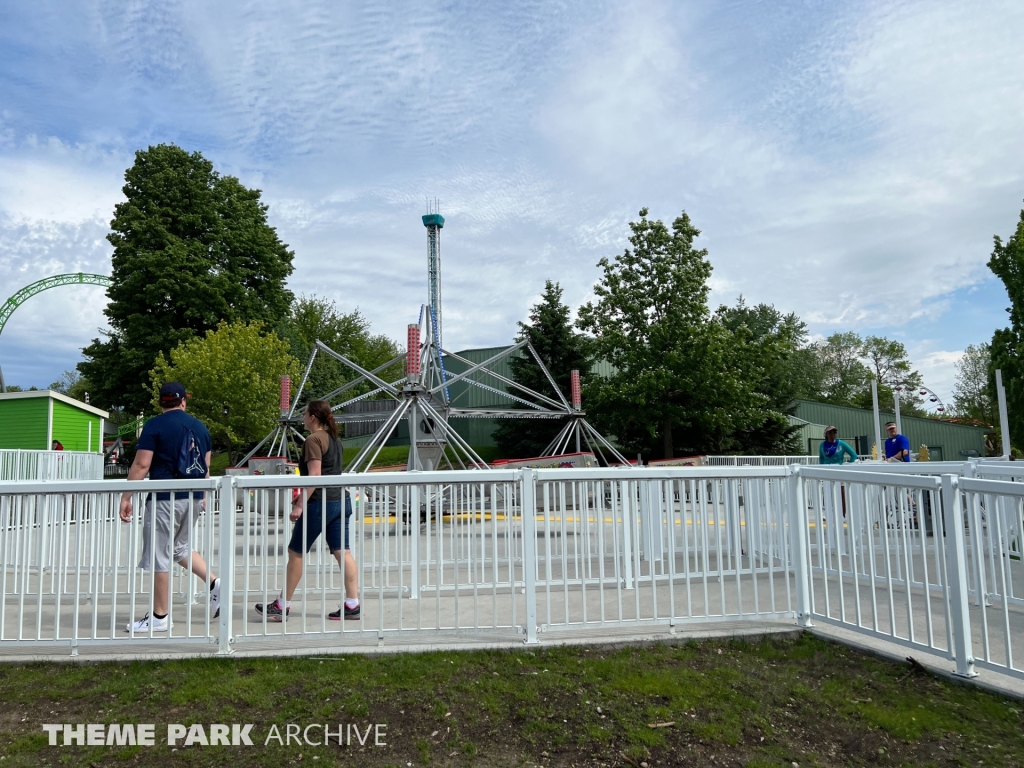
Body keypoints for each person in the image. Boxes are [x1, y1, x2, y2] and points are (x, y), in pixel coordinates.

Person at [119, 383, 220, 632]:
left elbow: (142, 465)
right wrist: (203, 496)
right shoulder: (200, 427)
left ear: (161, 402)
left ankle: (160, 617)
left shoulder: (155, 425)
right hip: (194, 497)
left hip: (165, 498)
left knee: (159, 555)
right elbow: (205, 469)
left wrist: (126, 496)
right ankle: (216, 582)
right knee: (179, 549)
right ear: (183, 401)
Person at [255, 400, 360, 622]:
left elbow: (315, 476)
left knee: (296, 553)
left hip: (320, 503)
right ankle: (352, 604)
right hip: (341, 500)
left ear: (313, 417)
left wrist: (301, 503)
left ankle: (282, 605)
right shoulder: (334, 440)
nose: (302, 417)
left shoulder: (313, 440)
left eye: (304, 414)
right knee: (344, 552)